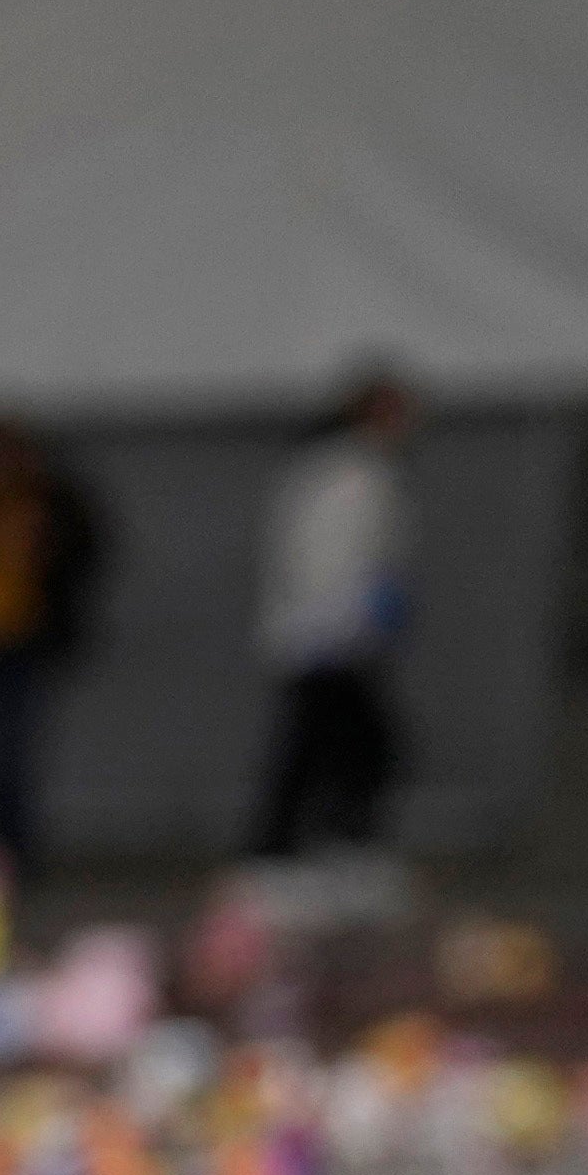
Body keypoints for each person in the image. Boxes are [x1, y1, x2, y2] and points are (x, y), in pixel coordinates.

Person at [250, 366, 415, 863]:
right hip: (330, 637)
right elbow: (331, 562)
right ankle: (314, 849)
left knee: (321, 747)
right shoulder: (348, 475)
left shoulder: (331, 470)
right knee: (352, 748)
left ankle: (294, 849)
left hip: (328, 635)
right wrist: (360, 618)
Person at [0, 412, 109, 869]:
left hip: (25, 638)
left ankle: (16, 848)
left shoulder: (49, 500)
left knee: (14, 749)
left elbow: (88, 552)